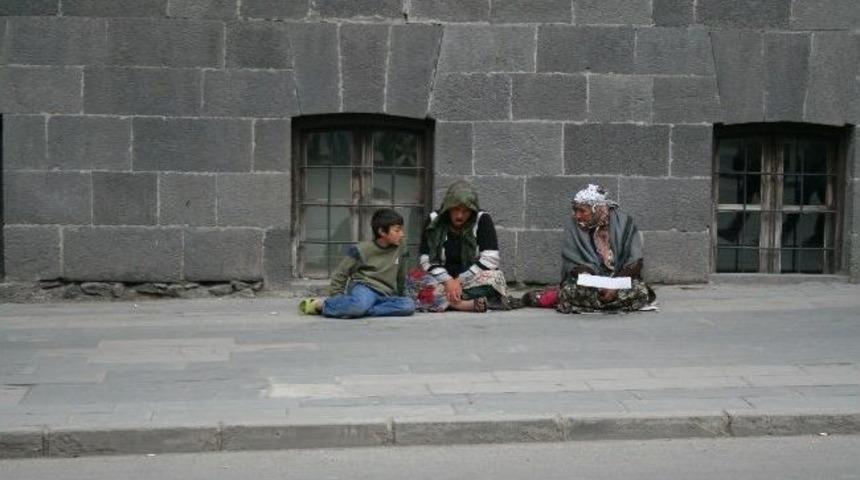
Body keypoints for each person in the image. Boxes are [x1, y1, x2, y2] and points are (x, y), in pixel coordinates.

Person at [523, 184, 655, 313]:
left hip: (618, 279)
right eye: (575, 210)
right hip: (590, 283)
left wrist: (614, 286)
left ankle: (568, 300)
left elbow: (635, 262)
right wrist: (596, 284)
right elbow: (574, 264)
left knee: (640, 291)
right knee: (571, 290)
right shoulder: (574, 226)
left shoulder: (625, 223)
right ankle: (606, 303)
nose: (577, 215)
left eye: (582, 211)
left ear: (596, 209)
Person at [406, 180, 517, 312]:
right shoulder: (434, 220)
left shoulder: (482, 219)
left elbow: (491, 258)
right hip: (441, 279)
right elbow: (426, 259)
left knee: (496, 278)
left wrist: (459, 280)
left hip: (470, 279)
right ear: (448, 208)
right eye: (456, 210)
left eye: (465, 211)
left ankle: (445, 300)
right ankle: (463, 303)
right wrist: (448, 281)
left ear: (472, 211)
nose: (460, 215)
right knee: (413, 281)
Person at [299, 209, 415, 318]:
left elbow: (401, 273)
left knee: (408, 305)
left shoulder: (401, 246)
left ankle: (361, 310)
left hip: (386, 294)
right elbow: (341, 273)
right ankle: (320, 305)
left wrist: (401, 294)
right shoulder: (361, 249)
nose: (402, 234)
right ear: (382, 232)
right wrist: (337, 298)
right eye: (397, 230)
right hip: (365, 288)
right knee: (358, 306)